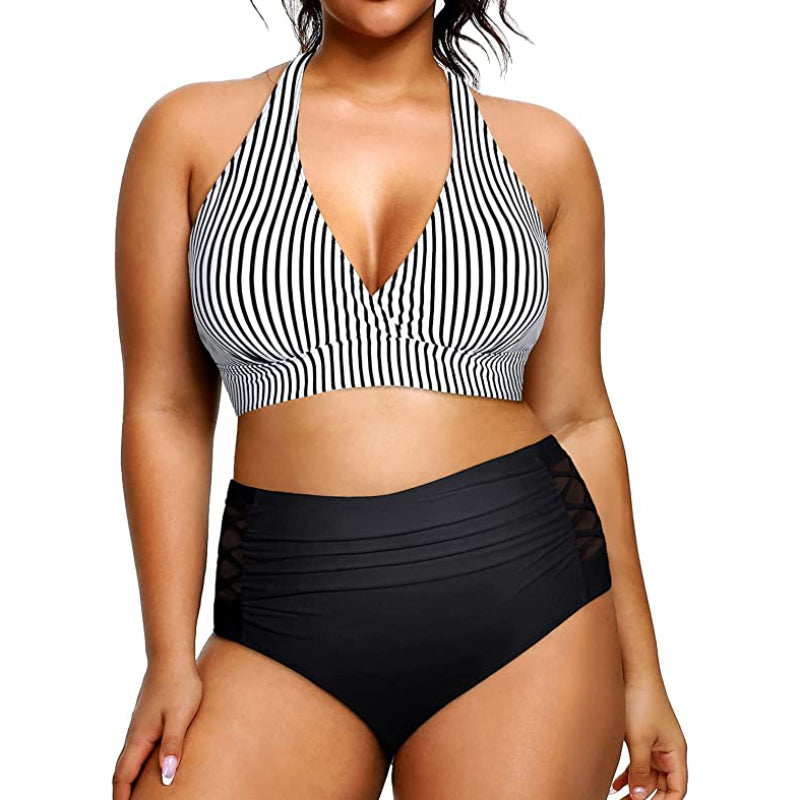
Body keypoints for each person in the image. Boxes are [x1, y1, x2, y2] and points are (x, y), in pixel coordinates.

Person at [113, 2, 687, 798]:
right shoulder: (191, 133)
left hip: (527, 610)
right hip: (283, 609)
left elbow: (578, 418)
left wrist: (643, 673)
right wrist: (167, 657)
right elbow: (166, 410)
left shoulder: (544, 150)